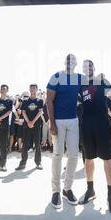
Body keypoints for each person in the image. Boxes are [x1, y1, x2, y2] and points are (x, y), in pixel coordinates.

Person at [78, 60, 111, 214]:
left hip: (103, 124)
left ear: (94, 68)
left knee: (108, 159)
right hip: (87, 125)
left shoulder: (103, 81)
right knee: (88, 159)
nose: (87, 68)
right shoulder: (80, 86)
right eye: (84, 66)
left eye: (89, 66)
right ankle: (90, 190)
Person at [46, 54, 83, 209]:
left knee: (74, 155)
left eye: (73, 60)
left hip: (73, 120)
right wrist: (52, 123)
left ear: (76, 63)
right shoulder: (56, 76)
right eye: (68, 60)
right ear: (64, 62)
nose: (70, 62)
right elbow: (48, 100)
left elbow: (92, 89)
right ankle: (55, 191)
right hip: (58, 121)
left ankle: (67, 189)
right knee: (58, 154)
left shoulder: (80, 78)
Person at [16, 84, 44, 170]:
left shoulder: (40, 100)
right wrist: (28, 122)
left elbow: (40, 112)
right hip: (27, 126)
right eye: (31, 88)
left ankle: (38, 163)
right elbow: (23, 112)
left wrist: (33, 122)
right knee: (25, 145)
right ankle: (23, 163)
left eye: (34, 88)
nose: (32, 89)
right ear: (29, 89)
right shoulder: (25, 101)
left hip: (36, 126)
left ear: (36, 89)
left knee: (37, 145)